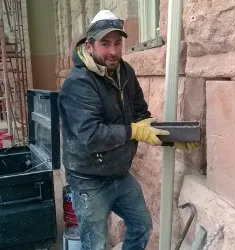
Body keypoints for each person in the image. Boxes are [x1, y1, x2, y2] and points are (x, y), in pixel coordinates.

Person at [58, 10, 199, 250]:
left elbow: (141, 116)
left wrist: (171, 137)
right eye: (105, 44)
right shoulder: (78, 83)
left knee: (141, 226)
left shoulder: (125, 71)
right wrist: (133, 132)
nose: (113, 51)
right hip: (88, 180)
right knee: (96, 245)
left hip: (119, 173)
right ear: (90, 46)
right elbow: (91, 136)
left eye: (117, 43)